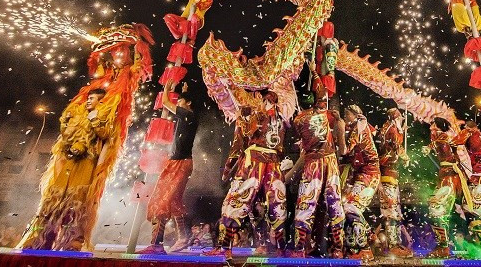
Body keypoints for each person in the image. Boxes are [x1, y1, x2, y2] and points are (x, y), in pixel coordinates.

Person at [18, 23, 154, 251]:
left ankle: (73, 239)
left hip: (94, 148)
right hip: (70, 149)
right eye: (115, 51)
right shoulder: (96, 86)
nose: (118, 55)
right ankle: (42, 236)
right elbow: (68, 116)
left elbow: (140, 67)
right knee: (54, 195)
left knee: (82, 195)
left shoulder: (124, 81)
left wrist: (137, 43)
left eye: (121, 51)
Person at [207, 91, 287, 259]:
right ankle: (278, 249)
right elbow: (279, 147)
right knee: (273, 205)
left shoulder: (250, 113)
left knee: (235, 202)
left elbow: (238, 143)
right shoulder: (281, 118)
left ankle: (225, 249)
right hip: (273, 165)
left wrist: (228, 168)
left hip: (254, 162)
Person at [139, 83, 200, 254]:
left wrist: (167, 87)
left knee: (161, 200)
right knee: (173, 201)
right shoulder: (189, 116)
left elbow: (165, 102)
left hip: (180, 164)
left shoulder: (188, 114)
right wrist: (185, 92)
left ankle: (156, 245)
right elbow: (181, 103)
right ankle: (184, 236)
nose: (178, 104)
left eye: (180, 101)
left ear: (187, 104)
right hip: (178, 163)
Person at [289, 85, 346, 258]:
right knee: (334, 203)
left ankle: (300, 249)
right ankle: (337, 249)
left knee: (307, 203)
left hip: (314, 164)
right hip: (328, 162)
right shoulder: (328, 117)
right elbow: (342, 150)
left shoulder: (298, 119)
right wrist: (340, 124)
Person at [424, 117, 476, 258]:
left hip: (451, 176)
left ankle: (444, 247)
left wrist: (466, 131)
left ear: (438, 126)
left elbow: (451, 141)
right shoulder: (440, 137)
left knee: (436, 209)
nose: (430, 128)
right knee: (455, 211)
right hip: (445, 176)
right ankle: (452, 245)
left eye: (433, 125)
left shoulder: (446, 136)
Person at [340, 104, 380, 260]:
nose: (345, 117)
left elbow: (344, 151)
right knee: (346, 207)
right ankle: (367, 236)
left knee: (350, 207)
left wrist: (340, 130)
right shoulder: (360, 126)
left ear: (355, 115)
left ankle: (364, 248)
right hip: (361, 174)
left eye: (346, 114)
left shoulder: (359, 127)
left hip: (369, 174)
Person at [376, 108, 413, 258]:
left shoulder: (390, 128)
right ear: (395, 117)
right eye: (400, 117)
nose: (402, 120)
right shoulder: (391, 130)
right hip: (387, 174)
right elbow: (395, 148)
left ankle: (394, 243)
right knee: (391, 211)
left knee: (395, 212)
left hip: (391, 175)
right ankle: (392, 245)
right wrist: (405, 157)